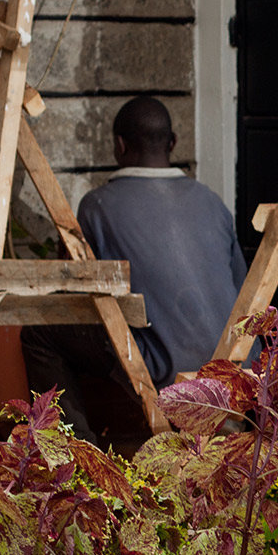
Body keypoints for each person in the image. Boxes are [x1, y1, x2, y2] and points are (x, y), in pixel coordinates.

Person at [20, 95, 247, 442]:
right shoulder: (211, 201)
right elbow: (243, 292)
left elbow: (75, 294)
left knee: (40, 330)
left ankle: (78, 451)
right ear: (172, 143)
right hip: (239, 374)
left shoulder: (97, 206)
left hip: (162, 370)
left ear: (119, 145)